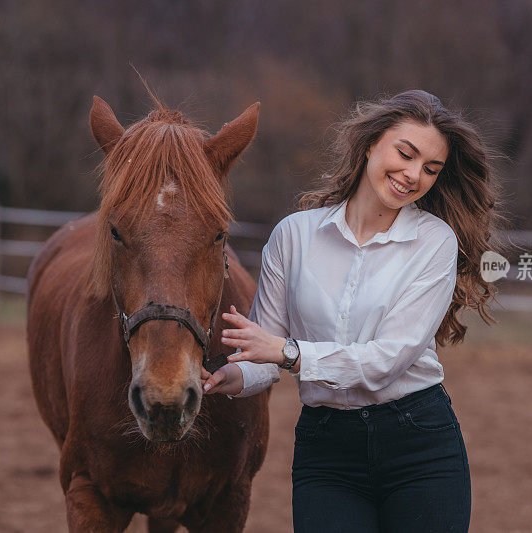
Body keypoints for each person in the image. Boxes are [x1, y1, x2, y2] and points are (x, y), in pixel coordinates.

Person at [201, 89, 504, 532]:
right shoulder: (293, 237)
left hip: (418, 445)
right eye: (405, 153)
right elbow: (263, 358)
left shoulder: (435, 242)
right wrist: (229, 377)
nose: (413, 174)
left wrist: (288, 353)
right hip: (327, 452)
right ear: (369, 146)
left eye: (430, 169)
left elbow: (386, 360)